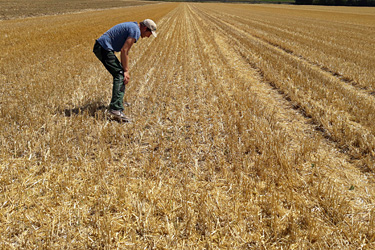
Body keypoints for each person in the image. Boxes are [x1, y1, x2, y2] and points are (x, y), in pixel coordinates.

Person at [93, 19, 157, 122]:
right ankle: (115, 109)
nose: (149, 36)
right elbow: (124, 50)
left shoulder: (133, 27)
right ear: (145, 28)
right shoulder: (135, 30)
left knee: (121, 74)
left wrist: (125, 70)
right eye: (149, 33)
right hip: (103, 48)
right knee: (120, 75)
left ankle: (118, 102)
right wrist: (126, 71)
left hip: (103, 47)